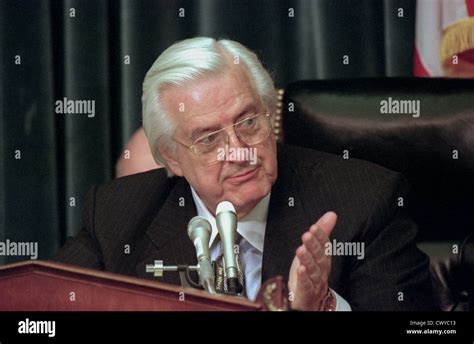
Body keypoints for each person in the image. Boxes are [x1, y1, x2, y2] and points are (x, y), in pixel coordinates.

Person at [55, 37, 434, 311]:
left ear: (270, 116)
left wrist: (324, 306)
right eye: (207, 139)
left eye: (249, 122)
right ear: (171, 158)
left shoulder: (363, 201)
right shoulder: (116, 215)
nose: (238, 151)